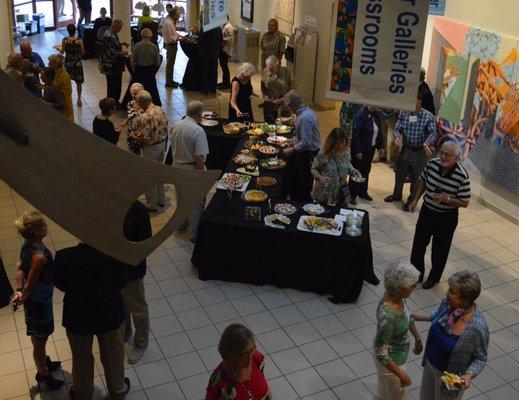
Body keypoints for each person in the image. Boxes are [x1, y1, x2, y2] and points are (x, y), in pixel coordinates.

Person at [53, 243, 130, 400]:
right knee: (113, 355)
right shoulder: (115, 254)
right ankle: (117, 390)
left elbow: (60, 284)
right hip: (109, 312)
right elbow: (122, 282)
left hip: (78, 313)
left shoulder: (64, 256)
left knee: (81, 358)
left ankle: (83, 393)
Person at [412, 271, 489, 400]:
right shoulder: (449, 303)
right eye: (449, 289)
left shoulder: (477, 327)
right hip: (431, 364)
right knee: (425, 397)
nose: (447, 293)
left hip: (452, 377)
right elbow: (438, 314)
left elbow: (480, 358)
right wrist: (416, 316)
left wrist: (469, 375)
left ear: (466, 299)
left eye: (453, 292)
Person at [11, 211, 64, 391]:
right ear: (37, 232)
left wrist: (20, 293)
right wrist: (23, 294)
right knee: (40, 340)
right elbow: (31, 283)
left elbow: (19, 268)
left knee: (37, 336)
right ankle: (43, 374)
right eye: (44, 225)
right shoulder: (38, 257)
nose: (47, 227)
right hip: (40, 302)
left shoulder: (25, 244)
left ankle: (43, 362)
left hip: (34, 301)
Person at [409, 141, 471, 289]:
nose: (442, 156)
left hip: (446, 217)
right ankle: (416, 274)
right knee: (418, 244)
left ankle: (434, 278)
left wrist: (447, 199)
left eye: (447, 154)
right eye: (441, 152)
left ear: (455, 157)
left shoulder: (462, 176)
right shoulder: (432, 164)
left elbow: (464, 202)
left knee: (440, 250)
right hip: (427, 211)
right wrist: (415, 200)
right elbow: (423, 181)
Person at [373, 261, 422, 400]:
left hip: (396, 355)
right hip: (392, 361)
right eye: (412, 286)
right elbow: (381, 352)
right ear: (401, 288)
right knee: (399, 397)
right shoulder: (388, 315)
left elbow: (408, 316)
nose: (415, 287)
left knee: (383, 392)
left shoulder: (397, 296)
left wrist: (417, 338)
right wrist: (402, 375)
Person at [384, 93, 437, 211]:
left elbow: (433, 132)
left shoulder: (428, 116)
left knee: (416, 177)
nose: (412, 108)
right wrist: (398, 137)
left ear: (420, 103)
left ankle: (411, 200)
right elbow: (397, 128)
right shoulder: (404, 113)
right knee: (400, 173)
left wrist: (426, 143)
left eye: (415, 105)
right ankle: (396, 194)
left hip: (420, 151)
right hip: (406, 148)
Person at [170, 100, 209, 241]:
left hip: (177, 165)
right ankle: (194, 234)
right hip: (191, 168)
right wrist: (200, 176)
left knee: (180, 198)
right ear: (200, 114)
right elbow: (199, 157)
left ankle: (181, 224)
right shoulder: (197, 131)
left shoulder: (175, 125)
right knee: (195, 202)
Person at [206, 324, 272, 400]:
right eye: (242, 354)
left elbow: (263, 382)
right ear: (229, 354)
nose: (249, 358)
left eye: (251, 350)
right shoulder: (218, 380)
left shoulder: (257, 358)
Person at [121, 201, 152, 363]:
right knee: (121, 303)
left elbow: (146, 243)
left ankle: (141, 342)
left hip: (132, 269)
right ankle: (126, 332)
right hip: (115, 266)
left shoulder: (139, 210)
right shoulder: (112, 203)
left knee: (137, 307)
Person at [131, 90, 168, 211]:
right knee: (160, 173)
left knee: (150, 176)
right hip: (162, 144)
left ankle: (152, 204)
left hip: (151, 148)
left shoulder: (145, 117)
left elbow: (145, 139)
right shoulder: (159, 109)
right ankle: (161, 199)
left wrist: (134, 136)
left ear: (141, 102)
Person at [284, 91, 321, 201]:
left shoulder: (305, 118)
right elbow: (302, 137)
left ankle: (301, 205)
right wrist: (292, 140)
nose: (289, 110)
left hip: (307, 156)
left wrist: (292, 149)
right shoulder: (307, 112)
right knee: (300, 182)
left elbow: (306, 142)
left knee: (303, 184)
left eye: (288, 107)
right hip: (305, 153)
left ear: (291, 106)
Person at [311, 128, 361, 206]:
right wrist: (320, 178)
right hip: (325, 193)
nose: (340, 147)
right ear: (331, 142)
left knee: (341, 216)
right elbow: (313, 168)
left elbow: (347, 164)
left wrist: (352, 170)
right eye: (337, 144)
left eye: (343, 143)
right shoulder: (324, 154)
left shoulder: (346, 152)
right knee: (325, 217)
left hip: (341, 193)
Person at [350, 105, 385, 204]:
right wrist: (357, 151)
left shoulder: (376, 115)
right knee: (357, 172)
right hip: (361, 149)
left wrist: (380, 146)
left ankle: (363, 192)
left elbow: (379, 132)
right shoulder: (361, 114)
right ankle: (352, 195)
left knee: (366, 170)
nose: (379, 107)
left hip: (371, 148)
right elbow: (356, 133)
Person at [100, 19, 129, 108]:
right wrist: (123, 53)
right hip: (112, 65)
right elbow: (112, 53)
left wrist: (121, 44)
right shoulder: (110, 37)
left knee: (112, 85)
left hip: (110, 65)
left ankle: (113, 102)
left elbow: (112, 45)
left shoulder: (108, 32)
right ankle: (113, 103)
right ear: (115, 27)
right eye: (119, 28)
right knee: (114, 85)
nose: (120, 30)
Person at [130, 28, 161, 106]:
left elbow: (132, 60)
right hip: (149, 71)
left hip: (139, 71)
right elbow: (157, 62)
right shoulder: (154, 46)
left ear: (141, 35)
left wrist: (134, 70)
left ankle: (136, 103)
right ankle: (151, 102)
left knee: (137, 88)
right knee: (152, 89)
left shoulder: (137, 45)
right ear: (150, 36)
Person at [261, 55, 293, 124]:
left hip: (284, 106)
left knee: (284, 128)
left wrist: (283, 99)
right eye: (268, 68)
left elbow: (293, 89)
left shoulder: (287, 72)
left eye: (272, 69)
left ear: (278, 66)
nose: (269, 71)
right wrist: (264, 94)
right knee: (269, 128)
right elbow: (262, 84)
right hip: (270, 106)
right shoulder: (265, 71)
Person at [60, 24, 85, 107]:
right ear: (75, 31)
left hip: (68, 63)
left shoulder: (65, 40)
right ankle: (79, 99)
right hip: (77, 63)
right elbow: (82, 52)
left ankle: (68, 98)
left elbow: (62, 51)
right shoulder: (79, 40)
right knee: (79, 82)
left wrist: (58, 48)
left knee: (68, 81)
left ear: (68, 31)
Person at [117, 83, 144, 154]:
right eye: (134, 94)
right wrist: (124, 123)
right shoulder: (130, 103)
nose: (135, 96)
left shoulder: (145, 105)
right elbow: (130, 116)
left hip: (141, 133)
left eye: (138, 93)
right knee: (133, 151)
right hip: (131, 131)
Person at [48, 54, 74, 122]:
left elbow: (67, 93)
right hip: (59, 107)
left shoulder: (64, 76)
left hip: (65, 109)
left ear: (55, 64)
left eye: (50, 62)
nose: (48, 64)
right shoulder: (55, 73)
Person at [198, 24, 223, 95]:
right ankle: (213, 89)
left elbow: (199, 41)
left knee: (205, 71)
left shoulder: (204, 28)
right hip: (215, 52)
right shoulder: (218, 28)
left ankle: (205, 89)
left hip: (205, 53)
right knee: (214, 71)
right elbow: (221, 40)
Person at [163, 6, 181, 88]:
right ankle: (169, 82)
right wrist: (179, 39)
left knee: (171, 64)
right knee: (170, 64)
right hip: (171, 45)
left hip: (171, 45)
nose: (179, 17)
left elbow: (173, 33)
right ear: (173, 15)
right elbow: (170, 38)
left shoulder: (170, 21)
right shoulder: (168, 23)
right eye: (178, 15)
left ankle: (170, 80)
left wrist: (179, 36)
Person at [218, 19, 234, 89]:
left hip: (226, 49)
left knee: (224, 66)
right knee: (223, 66)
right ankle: (224, 82)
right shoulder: (224, 25)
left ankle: (226, 84)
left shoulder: (228, 27)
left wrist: (221, 39)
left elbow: (230, 39)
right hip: (223, 48)